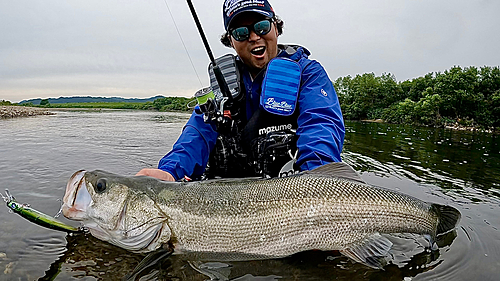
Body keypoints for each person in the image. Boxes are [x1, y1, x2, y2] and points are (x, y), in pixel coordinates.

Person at [137, 0, 345, 181]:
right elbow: (196, 134)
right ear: (231, 41)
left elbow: (321, 123)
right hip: (230, 192)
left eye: (262, 26)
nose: (254, 37)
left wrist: (316, 175)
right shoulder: (221, 84)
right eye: (241, 32)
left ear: (276, 29)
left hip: (292, 188)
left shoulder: (308, 73)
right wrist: (170, 171)